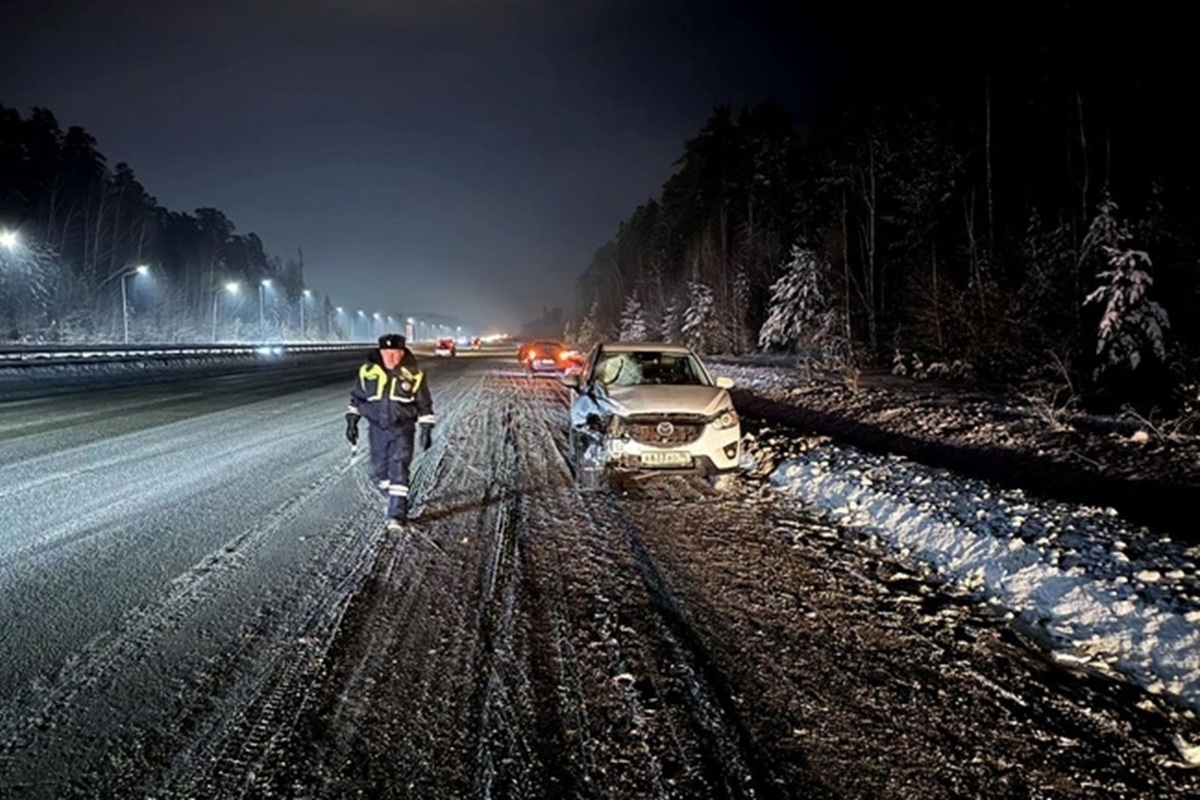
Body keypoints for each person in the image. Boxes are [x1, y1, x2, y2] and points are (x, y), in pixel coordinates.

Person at [345, 333, 435, 530]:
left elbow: (424, 404)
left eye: (395, 353)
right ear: (380, 352)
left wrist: (426, 428)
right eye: (387, 353)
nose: (391, 358)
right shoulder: (367, 372)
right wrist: (352, 421)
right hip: (377, 430)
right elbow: (357, 399)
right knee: (378, 470)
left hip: (403, 429)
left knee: (399, 467)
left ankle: (397, 514)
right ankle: (391, 495)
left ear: (402, 353)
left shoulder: (414, 375)